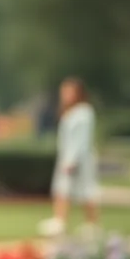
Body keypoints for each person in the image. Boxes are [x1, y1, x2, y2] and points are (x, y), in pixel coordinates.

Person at [38, 77, 99, 237]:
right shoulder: (68, 112)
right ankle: (60, 220)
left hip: (80, 158)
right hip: (66, 156)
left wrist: (72, 160)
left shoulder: (84, 113)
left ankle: (92, 224)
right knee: (61, 189)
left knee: (86, 190)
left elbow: (81, 139)